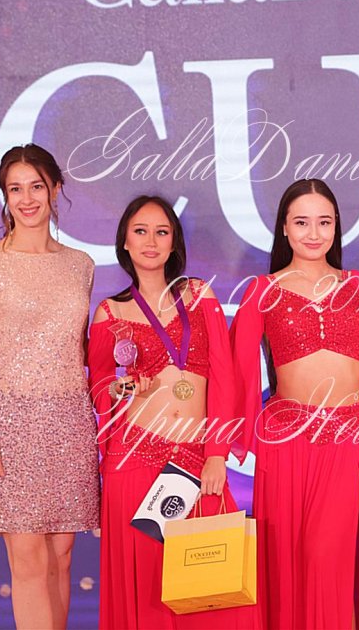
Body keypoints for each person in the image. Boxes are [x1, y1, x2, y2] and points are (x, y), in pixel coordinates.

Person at [229, 179, 359, 629]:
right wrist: (222, 445)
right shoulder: (262, 290)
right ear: (284, 228)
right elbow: (237, 368)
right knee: (291, 568)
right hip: (287, 441)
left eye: (324, 222)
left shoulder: (357, 285)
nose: (314, 233)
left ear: (337, 226)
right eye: (302, 222)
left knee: (329, 558)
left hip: (348, 437)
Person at [88, 195, 256, 630]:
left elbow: (224, 376)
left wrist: (216, 452)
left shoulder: (199, 296)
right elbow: (99, 386)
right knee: (148, 596)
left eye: (161, 232)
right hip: (135, 461)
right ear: (124, 242)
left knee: (212, 593)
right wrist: (123, 388)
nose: (151, 241)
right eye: (140, 231)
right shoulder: (109, 312)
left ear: (174, 242)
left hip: (196, 461)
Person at [0, 144, 99, 629]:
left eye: (36, 186)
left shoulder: (81, 264)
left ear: (55, 189)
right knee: (27, 560)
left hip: (71, 420)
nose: (26, 199)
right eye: (15, 189)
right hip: (11, 424)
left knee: (61, 556)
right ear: (4, 195)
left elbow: (82, 349)